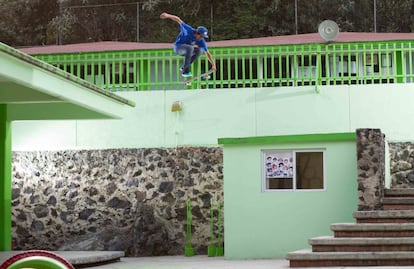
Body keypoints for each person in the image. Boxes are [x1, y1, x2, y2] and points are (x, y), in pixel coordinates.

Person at [160, 12, 217, 77]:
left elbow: (207, 53)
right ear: (197, 33)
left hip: (187, 50)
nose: (201, 38)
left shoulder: (201, 40)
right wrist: (167, 15)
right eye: (201, 36)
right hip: (178, 48)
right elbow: (178, 19)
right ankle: (185, 71)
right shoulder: (188, 30)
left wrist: (213, 64)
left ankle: (184, 67)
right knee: (190, 48)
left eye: (203, 37)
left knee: (200, 50)